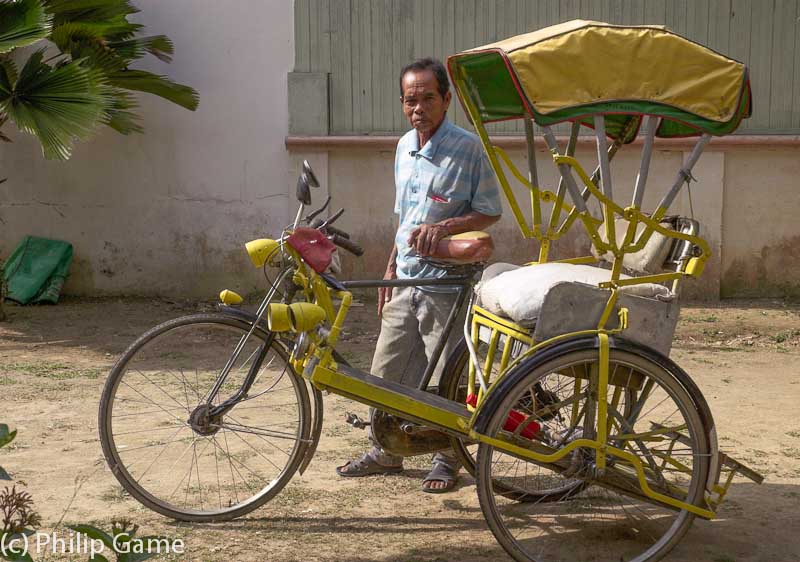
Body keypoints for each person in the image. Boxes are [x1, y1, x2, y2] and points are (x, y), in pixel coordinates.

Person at [336, 58, 502, 493]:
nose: (419, 107)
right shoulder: (403, 147)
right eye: (411, 99)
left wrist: (445, 227)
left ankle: (449, 458)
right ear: (403, 103)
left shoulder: (467, 148)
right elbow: (404, 218)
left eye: (429, 97)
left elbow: (490, 209)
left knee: (448, 373)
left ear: (446, 100)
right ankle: (386, 450)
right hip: (405, 280)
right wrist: (390, 268)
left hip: (446, 285)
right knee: (384, 372)